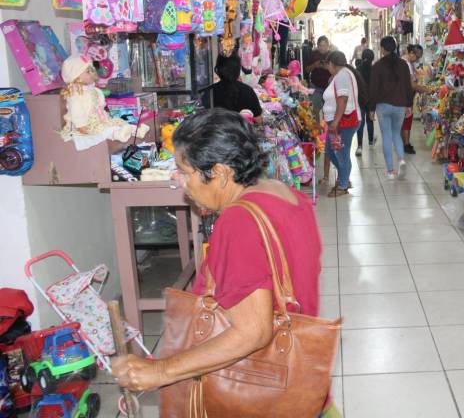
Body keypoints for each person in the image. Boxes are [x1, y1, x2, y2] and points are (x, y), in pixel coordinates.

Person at [111, 109, 323, 400]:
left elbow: (252, 333)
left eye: (186, 173)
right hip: (300, 377)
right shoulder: (287, 195)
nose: (181, 183)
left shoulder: (239, 223)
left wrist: (160, 372)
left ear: (221, 173)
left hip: (259, 391)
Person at [369, 36, 413, 180]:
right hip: (400, 105)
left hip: (383, 106)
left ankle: (390, 171)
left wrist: (371, 108)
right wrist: (409, 104)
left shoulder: (377, 66)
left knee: (386, 136)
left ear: (382, 49)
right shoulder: (403, 65)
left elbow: (373, 89)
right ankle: (401, 159)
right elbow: (408, 86)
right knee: (396, 134)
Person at [323, 51, 362, 197]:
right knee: (331, 150)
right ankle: (344, 178)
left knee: (340, 153)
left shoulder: (342, 76)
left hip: (343, 124)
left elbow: (343, 99)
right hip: (338, 123)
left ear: (331, 64)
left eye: (328, 65)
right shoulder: (341, 75)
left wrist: (335, 122)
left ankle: (343, 184)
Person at [401, 44, 432, 154]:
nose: (418, 59)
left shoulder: (407, 62)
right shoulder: (407, 64)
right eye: (418, 57)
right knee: (406, 121)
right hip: (405, 97)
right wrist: (426, 90)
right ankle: (406, 144)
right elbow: (412, 85)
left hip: (404, 97)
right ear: (411, 53)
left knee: (404, 121)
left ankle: (403, 143)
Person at [210, 54, 263, 119]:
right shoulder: (248, 91)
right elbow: (258, 120)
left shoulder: (210, 92)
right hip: (242, 129)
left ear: (218, 69)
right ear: (238, 69)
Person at [355, 48, 376, 156]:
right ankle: (371, 142)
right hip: (371, 100)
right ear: (372, 58)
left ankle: (359, 146)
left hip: (360, 99)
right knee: (370, 121)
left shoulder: (357, 70)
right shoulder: (374, 70)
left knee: (360, 123)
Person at [306, 36, 333, 114]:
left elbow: (337, 72)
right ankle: (317, 125)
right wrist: (314, 65)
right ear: (317, 46)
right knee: (314, 109)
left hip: (329, 87)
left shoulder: (332, 55)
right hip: (315, 86)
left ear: (328, 45)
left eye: (324, 45)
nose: (322, 48)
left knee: (328, 111)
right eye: (320, 45)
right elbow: (307, 70)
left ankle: (326, 126)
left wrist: (327, 67)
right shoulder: (313, 54)